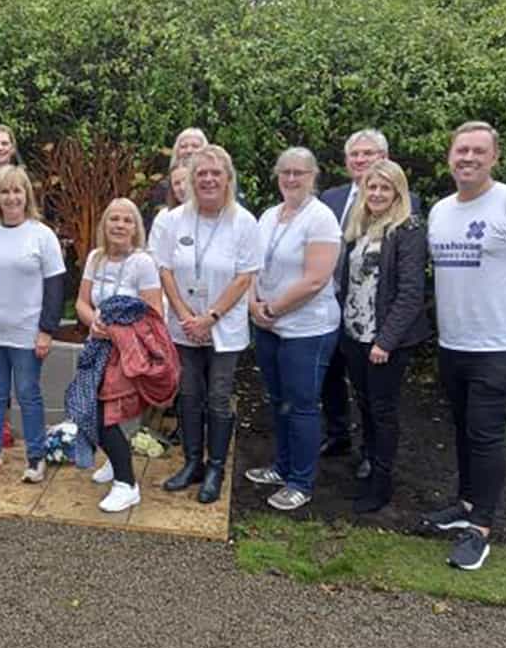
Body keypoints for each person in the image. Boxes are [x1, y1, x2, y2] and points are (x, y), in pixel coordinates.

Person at [424, 121, 506, 570]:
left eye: (479, 151)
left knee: (484, 432)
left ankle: (480, 529)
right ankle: (464, 505)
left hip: (503, 345)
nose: (469, 158)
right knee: (463, 428)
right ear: (450, 156)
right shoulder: (441, 211)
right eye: (462, 150)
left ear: (495, 158)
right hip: (454, 342)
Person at [156, 145, 259, 504]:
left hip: (223, 328)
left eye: (216, 173)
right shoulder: (172, 220)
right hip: (183, 326)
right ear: (192, 179)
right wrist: (186, 315)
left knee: (217, 397)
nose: (209, 179)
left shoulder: (244, 222)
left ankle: (215, 467)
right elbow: (164, 269)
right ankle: (191, 463)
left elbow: (245, 277)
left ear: (228, 178)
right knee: (188, 395)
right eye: (202, 174)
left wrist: (210, 317)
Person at [244, 147, 342, 512]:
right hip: (269, 324)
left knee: (301, 405)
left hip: (307, 328)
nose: (290, 179)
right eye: (285, 172)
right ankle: (281, 467)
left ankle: (301, 481)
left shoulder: (321, 219)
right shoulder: (269, 216)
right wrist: (254, 304)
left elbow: (316, 279)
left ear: (313, 176)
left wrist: (271, 308)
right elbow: (252, 266)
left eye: (298, 173)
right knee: (278, 399)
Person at [338, 160, 430, 513]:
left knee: (383, 411)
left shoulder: (407, 229)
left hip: (385, 341)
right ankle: (368, 465)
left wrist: (385, 341)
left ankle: (382, 483)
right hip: (355, 335)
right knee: (364, 403)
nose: (376, 194)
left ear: (398, 192)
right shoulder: (361, 226)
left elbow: (409, 293)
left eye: (384, 188)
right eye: (371, 188)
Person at [0, 166, 66, 483]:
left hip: (26, 332)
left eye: (17, 191)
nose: (11, 198)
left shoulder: (42, 235)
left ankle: (35, 456)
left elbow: (55, 287)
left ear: (27, 195)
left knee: (28, 394)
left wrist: (46, 330)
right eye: (5, 192)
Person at [75, 199, 165, 512]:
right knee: (88, 408)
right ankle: (116, 461)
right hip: (96, 347)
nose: (119, 225)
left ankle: (127, 485)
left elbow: (154, 314)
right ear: (105, 224)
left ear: (136, 227)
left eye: (127, 220)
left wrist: (116, 331)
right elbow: (82, 303)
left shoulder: (143, 263)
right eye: (114, 219)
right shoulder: (95, 258)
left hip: (124, 355)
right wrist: (94, 322)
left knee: (103, 416)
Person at [318, 129, 390, 468]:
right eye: (355, 155)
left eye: (368, 154)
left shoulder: (399, 201)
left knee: (368, 388)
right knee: (330, 375)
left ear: (384, 159)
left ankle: (371, 452)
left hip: (369, 313)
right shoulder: (330, 199)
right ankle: (338, 434)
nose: (360, 160)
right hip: (328, 302)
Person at [147, 159, 191, 261]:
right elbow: (154, 254)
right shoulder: (164, 217)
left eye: (186, 181)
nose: (182, 187)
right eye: (177, 183)